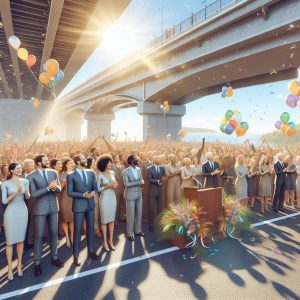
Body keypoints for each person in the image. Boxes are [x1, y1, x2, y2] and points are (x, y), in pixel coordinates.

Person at [27, 154, 64, 276]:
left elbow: (59, 189)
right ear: (38, 163)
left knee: (54, 233)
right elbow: (33, 194)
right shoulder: (31, 176)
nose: (48, 162)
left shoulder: (53, 172)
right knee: (39, 235)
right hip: (40, 208)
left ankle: (55, 257)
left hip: (54, 206)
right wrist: (48, 188)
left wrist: (54, 187)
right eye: (45, 161)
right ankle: (37, 262)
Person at [67, 154, 99, 266]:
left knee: (90, 229)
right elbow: (69, 193)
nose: (86, 160)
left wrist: (93, 193)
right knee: (78, 231)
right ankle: (76, 256)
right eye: (83, 159)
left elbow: (96, 187)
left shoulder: (91, 173)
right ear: (77, 162)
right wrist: (83, 195)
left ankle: (91, 251)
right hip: (79, 205)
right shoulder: (71, 175)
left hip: (90, 204)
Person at [2, 163, 30, 281]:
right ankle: (9, 268)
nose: (20, 169)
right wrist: (16, 192)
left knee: (20, 241)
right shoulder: (5, 184)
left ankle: (19, 266)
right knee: (9, 242)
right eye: (17, 168)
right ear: (12, 170)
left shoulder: (25, 181)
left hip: (22, 211)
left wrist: (27, 193)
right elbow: (4, 201)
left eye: (20, 168)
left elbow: (28, 197)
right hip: (10, 213)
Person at [97, 155, 118, 251]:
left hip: (112, 197)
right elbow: (97, 189)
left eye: (111, 162)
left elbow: (115, 184)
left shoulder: (112, 172)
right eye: (108, 162)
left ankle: (111, 241)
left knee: (112, 220)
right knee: (105, 221)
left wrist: (115, 185)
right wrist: (108, 186)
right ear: (104, 163)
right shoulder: (99, 174)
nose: (110, 164)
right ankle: (104, 241)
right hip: (104, 198)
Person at [123, 155, 144, 241]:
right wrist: (138, 182)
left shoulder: (139, 169)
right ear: (131, 161)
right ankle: (130, 233)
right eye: (136, 159)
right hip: (130, 195)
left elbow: (142, 180)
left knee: (139, 213)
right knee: (131, 215)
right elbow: (126, 184)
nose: (138, 160)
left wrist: (140, 182)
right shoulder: (125, 171)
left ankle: (138, 231)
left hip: (139, 194)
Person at [147, 155, 166, 232]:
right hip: (152, 191)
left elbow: (164, 176)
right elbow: (150, 179)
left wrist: (163, 180)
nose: (160, 160)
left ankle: (159, 224)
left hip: (160, 190)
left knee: (160, 208)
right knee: (151, 209)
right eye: (158, 159)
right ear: (154, 160)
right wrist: (158, 181)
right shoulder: (149, 169)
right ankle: (151, 225)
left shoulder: (162, 168)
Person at [59, 158, 75, 248]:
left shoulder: (76, 174)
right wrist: (63, 184)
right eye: (70, 163)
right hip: (64, 199)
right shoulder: (61, 175)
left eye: (73, 163)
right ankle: (67, 238)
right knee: (65, 219)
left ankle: (72, 236)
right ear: (66, 165)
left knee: (72, 219)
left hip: (74, 199)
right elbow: (59, 190)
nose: (72, 164)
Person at [112, 154, 126, 223]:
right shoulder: (111, 166)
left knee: (122, 204)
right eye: (116, 157)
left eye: (118, 157)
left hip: (122, 188)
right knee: (115, 205)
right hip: (115, 189)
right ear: (112, 159)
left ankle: (121, 216)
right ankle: (114, 219)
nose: (117, 158)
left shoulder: (122, 166)